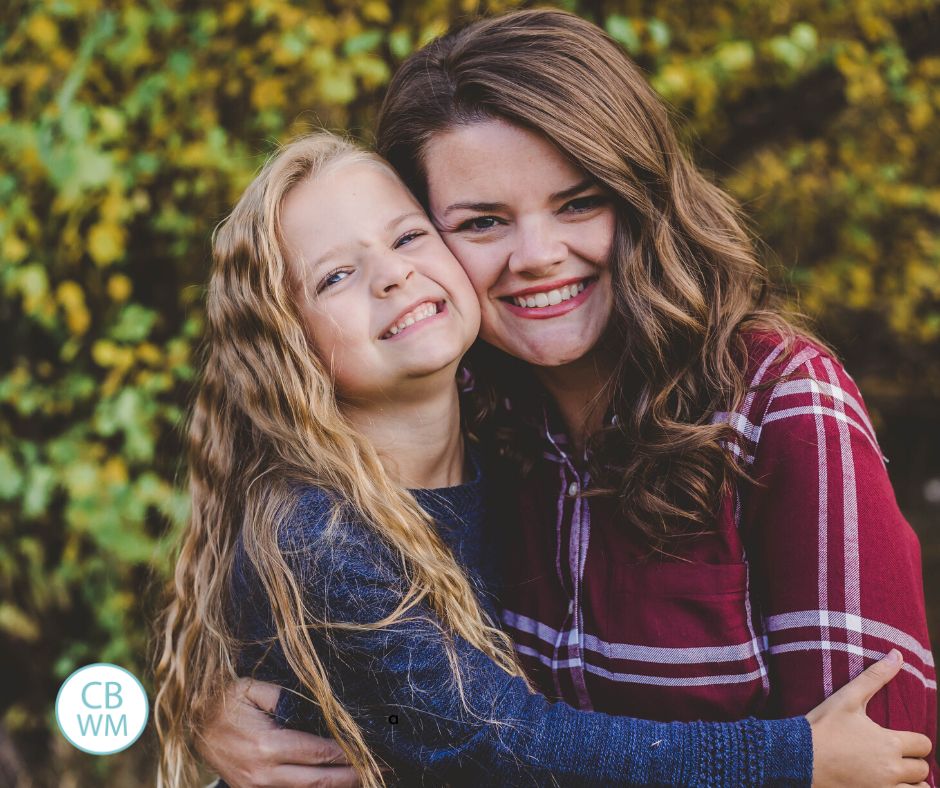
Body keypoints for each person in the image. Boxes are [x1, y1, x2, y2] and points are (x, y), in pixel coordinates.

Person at [190, 8, 937, 787]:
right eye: (482, 221)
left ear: (640, 196)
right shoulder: (477, 412)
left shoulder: (776, 403)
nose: (539, 257)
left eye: (580, 202)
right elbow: (454, 712)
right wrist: (251, 701)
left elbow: (875, 759)